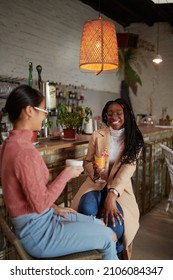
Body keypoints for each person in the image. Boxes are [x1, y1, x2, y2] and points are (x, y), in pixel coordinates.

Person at [0, 85, 119, 260]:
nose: (45, 115)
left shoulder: (8, 145)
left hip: (41, 218)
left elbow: (27, 196)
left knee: (100, 223)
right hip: (39, 233)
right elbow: (39, 204)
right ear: (29, 111)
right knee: (109, 237)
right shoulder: (23, 151)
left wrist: (54, 208)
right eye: (42, 110)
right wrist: (66, 174)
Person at [72, 98, 144, 258]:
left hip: (119, 189)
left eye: (119, 113)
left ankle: (114, 255)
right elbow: (88, 161)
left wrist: (111, 196)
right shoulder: (98, 135)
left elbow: (127, 170)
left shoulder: (134, 139)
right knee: (85, 210)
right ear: (105, 115)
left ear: (127, 115)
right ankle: (92, 254)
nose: (114, 117)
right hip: (96, 184)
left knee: (116, 226)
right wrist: (95, 172)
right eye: (110, 113)